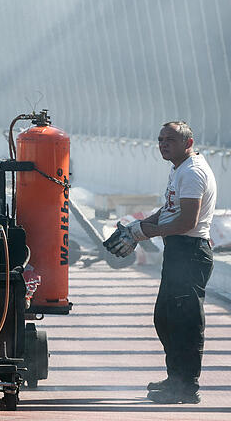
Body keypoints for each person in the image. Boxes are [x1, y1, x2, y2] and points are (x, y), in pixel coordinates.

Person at [104, 121, 217, 404]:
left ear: (188, 143)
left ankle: (187, 387)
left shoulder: (192, 173)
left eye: (171, 140)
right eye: (160, 139)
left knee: (185, 321)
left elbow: (186, 221)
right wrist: (139, 225)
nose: (163, 144)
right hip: (179, 252)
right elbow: (169, 209)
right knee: (166, 318)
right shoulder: (179, 168)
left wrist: (143, 233)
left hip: (190, 252)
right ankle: (175, 379)